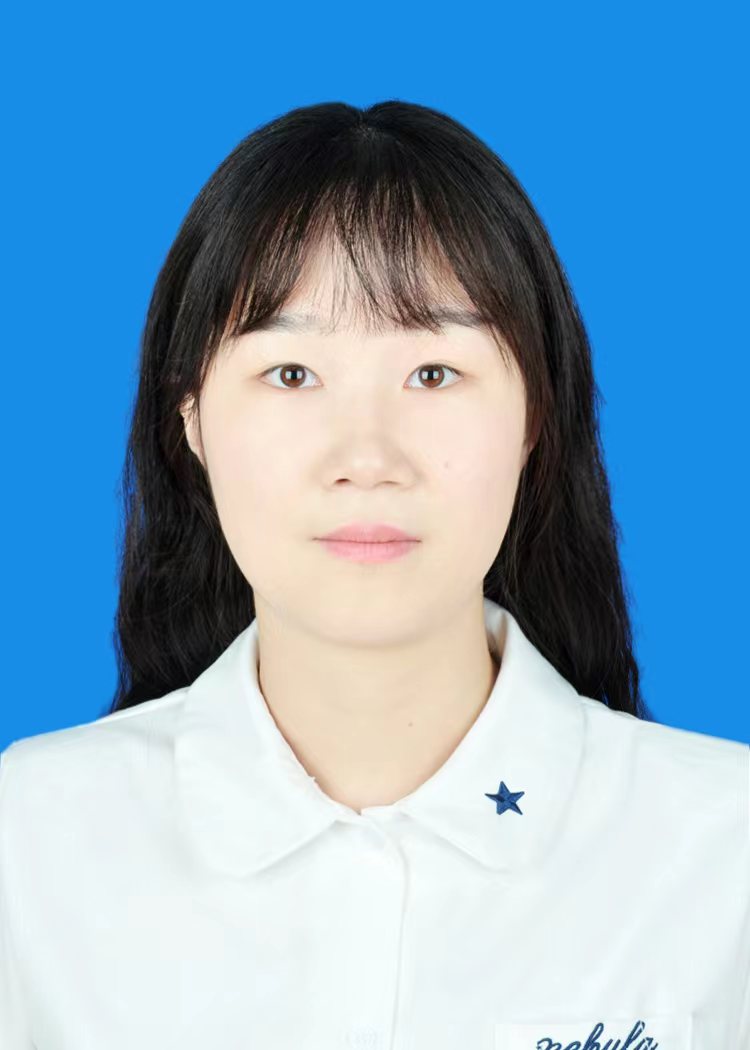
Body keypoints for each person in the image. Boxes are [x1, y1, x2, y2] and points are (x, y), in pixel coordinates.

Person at [1, 100, 747, 1050]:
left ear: (534, 419)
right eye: (291, 374)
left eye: (432, 373)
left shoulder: (723, 850)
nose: (366, 458)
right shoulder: (29, 842)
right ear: (191, 419)